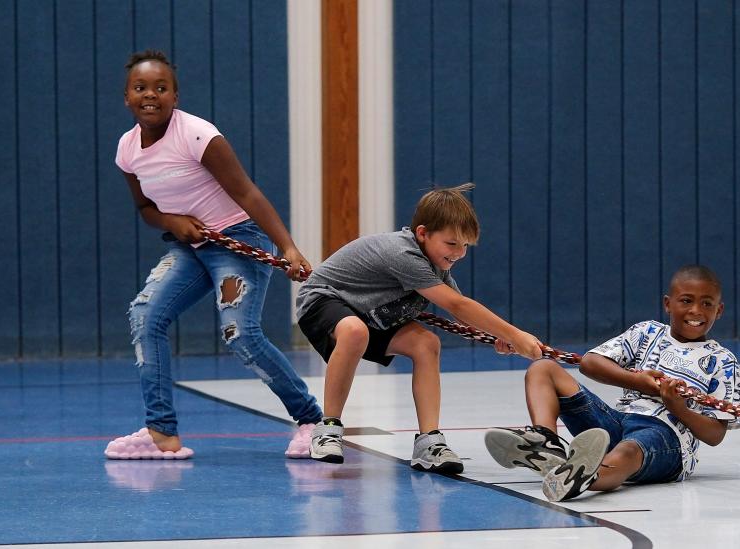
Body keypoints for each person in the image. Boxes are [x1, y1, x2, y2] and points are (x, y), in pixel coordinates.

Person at [105, 50, 323, 460]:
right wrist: (173, 222)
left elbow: (246, 192)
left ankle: (312, 421)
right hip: (190, 246)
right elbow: (146, 210)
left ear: (175, 95)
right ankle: (160, 432)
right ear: (127, 97)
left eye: (160, 87)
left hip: (239, 238)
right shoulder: (127, 149)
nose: (150, 95)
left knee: (239, 334)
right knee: (145, 316)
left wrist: (289, 247)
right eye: (140, 88)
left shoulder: (198, 135)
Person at [295, 183, 543, 473]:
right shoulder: (403, 254)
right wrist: (514, 334)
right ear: (423, 233)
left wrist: (497, 336)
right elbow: (457, 306)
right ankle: (328, 428)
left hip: (370, 316)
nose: (459, 253)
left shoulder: (435, 265)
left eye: (465, 245)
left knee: (426, 344)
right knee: (353, 331)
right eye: (451, 244)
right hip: (325, 301)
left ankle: (429, 442)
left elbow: (460, 306)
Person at [484, 265, 740, 501]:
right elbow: (591, 363)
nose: (696, 311)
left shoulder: (722, 361)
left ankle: (586, 477)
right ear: (668, 303)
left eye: (707, 304)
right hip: (619, 421)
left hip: (667, 438)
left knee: (628, 452)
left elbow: (715, 435)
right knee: (544, 368)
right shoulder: (646, 332)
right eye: (686, 301)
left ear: (719, 310)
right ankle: (547, 442)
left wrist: (678, 408)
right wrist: (637, 381)